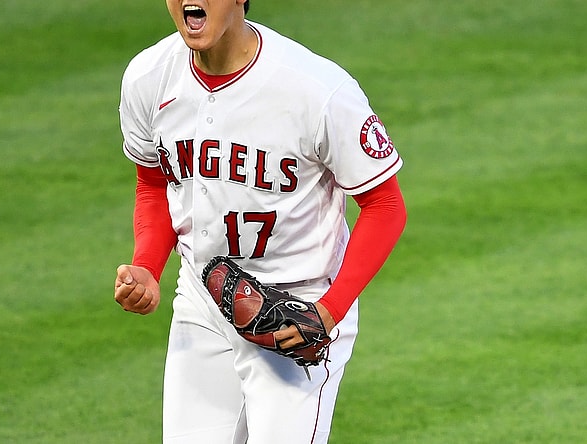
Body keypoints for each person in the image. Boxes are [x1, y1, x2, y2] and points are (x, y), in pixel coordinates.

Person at [114, 1, 407, 442]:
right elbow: (154, 184)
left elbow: (385, 205)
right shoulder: (148, 77)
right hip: (203, 304)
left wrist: (329, 311)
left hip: (296, 312)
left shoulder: (315, 90)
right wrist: (147, 265)